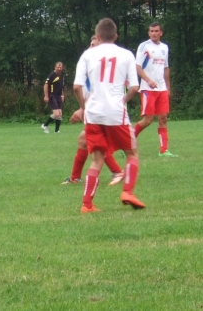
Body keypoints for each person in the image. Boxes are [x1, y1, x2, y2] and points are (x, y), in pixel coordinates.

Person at [73, 18, 145, 213]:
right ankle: (128, 191)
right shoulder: (126, 55)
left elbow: (77, 86)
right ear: (116, 36)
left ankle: (87, 204)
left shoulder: (88, 55)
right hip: (115, 113)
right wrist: (122, 100)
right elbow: (134, 87)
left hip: (93, 114)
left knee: (97, 158)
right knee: (132, 153)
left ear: (97, 36)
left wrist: (83, 107)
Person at [63, 35, 124, 186]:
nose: (90, 48)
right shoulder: (91, 67)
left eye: (94, 46)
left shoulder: (103, 69)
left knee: (94, 143)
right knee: (84, 141)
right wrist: (82, 108)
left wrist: (83, 109)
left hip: (103, 113)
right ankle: (75, 178)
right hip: (97, 112)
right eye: (90, 45)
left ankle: (118, 172)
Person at [133, 22, 176, 157]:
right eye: (151, 31)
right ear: (148, 33)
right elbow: (138, 67)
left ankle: (163, 150)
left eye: (156, 31)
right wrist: (148, 80)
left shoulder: (165, 47)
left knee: (163, 118)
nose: (154, 33)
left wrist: (168, 87)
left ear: (161, 33)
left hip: (161, 88)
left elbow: (166, 68)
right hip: (148, 89)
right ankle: (127, 142)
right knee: (148, 120)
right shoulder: (144, 46)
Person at [41, 62, 65, 133]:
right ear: (55, 67)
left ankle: (57, 131)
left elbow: (61, 87)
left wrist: (62, 95)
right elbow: (46, 85)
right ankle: (45, 125)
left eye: (60, 67)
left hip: (58, 96)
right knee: (56, 114)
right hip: (52, 95)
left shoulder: (62, 76)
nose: (59, 69)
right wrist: (46, 96)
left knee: (60, 113)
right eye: (58, 67)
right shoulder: (52, 75)